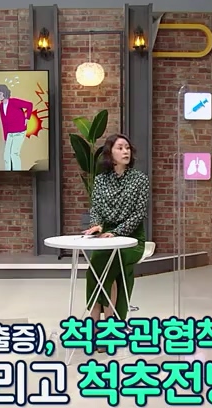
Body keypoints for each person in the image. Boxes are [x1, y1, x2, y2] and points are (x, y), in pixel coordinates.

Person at [82, 133, 150, 351]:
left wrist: (117, 232)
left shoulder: (140, 180)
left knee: (105, 266)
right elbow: (96, 209)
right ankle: (104, 325)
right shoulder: (101, 180)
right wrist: (97, 226)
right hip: (106, 238)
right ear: (110, 153)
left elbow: (138, 214)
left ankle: (98, 324)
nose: (125, 151)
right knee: (97, 269)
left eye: (127, 148)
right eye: (120, 148)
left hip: (131, 239)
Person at [0, 84, 33, 170]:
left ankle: (17, 172)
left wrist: (27, 118)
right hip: (9, 134)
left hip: (19, 132)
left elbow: (29, 105)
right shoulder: (1, 106)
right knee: (6, 155)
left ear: (5, 93)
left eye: (0, 94)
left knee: (14, 154)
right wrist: (5, 137)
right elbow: (4, 122)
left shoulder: (14, 102)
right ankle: (8, 172)